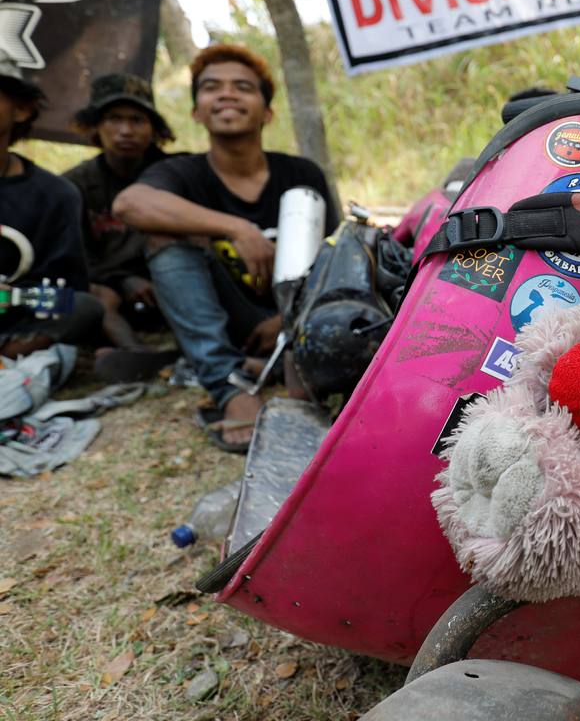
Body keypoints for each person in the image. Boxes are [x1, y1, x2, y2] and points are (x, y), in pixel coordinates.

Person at [113, 44, 338, 451]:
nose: (227, 95)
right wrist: (236, 228)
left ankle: (288, 363)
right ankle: (230, 383)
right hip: (228, 317)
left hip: (296, 318)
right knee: (164, 237)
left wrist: (288, 317)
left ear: (267, 113)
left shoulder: (300, 172)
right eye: (212, 87)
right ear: (197, 112)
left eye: (243, 87)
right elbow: (129, 204)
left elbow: (336, 254)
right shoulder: (180, 172)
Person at [63, 73, 180, 380]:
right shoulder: (75, 185)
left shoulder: (176, 172)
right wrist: (122, 279)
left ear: (153, 128)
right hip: (113, 292)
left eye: (137, 120)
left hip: (173, 282)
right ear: (96, 127)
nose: (125, 130)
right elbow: (75, 256)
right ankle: (137, 355)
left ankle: (194, 347)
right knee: (96, 295)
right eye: (114, 119)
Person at [0, 61, 104, 358]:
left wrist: (14, 298)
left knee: (84, 307)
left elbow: (67, 295)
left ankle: (9, 357)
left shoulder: (56, 194)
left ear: (21, 110)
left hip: (15, 326)